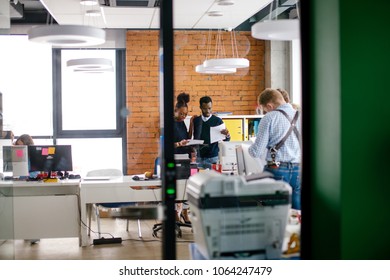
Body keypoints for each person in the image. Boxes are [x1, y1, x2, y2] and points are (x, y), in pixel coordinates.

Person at [248, 88, 302, 210]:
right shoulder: (300, 115)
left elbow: (256, 152)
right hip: (299, 169)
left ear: (269, 105)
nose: (265, 112)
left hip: (277, 169)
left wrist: (249, 149)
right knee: (297, 210)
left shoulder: (269, 118)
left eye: (265, 109)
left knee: (276, 212)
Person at [14, 134, 41, 244]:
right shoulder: (18, 154)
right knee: (22, 210)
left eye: (22, 146)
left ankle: (34, 235)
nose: (20, 148)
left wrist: (25, 176)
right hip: (20, 183)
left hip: (31, 183)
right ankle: (25, 232)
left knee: (32, 209)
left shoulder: (34, 155)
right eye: (18, 146)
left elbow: (36, 172)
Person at [191, 96, 230, 169]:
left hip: (213, 158)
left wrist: (227, 135)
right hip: (199, 158)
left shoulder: (218, 121)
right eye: (205, 109)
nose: (208, 111)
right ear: (200, 107)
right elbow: (194, 137)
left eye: (209, 108)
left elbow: (226, 140)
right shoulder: (196, 120)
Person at [173, 92, 192, 223]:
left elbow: (187, 138)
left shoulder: (182, 122)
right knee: (176, 187)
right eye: (181, 114)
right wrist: (180, 144)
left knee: (187, 186)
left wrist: (191, 122)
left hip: (186, 157)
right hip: (174, 158)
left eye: (185, 114)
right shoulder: (170, 124)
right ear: (175, 111)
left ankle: (185, 212)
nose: (183, 116)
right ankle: (175, 213)